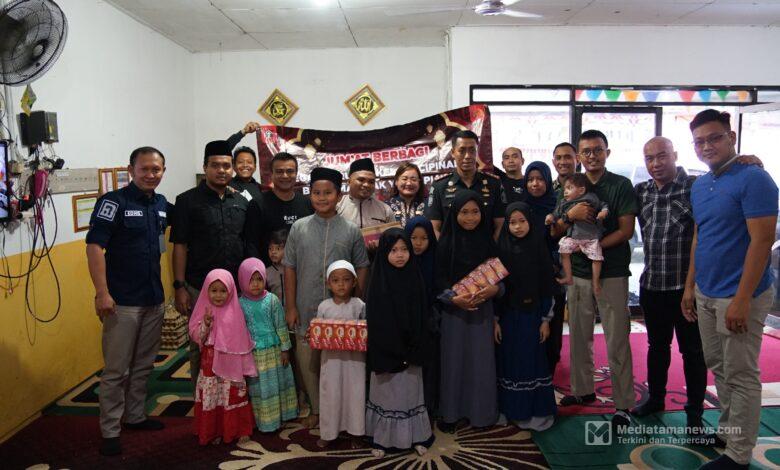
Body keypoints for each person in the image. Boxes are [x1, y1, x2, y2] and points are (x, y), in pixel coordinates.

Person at [682, 110, 778, 470]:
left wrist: (741, 299)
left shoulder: (754, 178)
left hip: (739, 296)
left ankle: (738, 455)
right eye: (699, 141)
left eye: (714, 138)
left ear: (731, 137)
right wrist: (690, 286)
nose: (707, 146)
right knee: (719, 367)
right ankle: (728, 431)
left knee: (741, 374)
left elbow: (762, 240)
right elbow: (700, 237)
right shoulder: (700, 184)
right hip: (706, 291)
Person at [86, 147, 170, 456]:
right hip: (121, 301)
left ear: (163, 171)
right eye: (144, 168)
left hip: (153, 299)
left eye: (156, 169)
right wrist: (102, 292)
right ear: (131, 170)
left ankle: (135, 416)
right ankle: (110, 430)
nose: (150, 174)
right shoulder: (113, 202)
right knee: (116, 371)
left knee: (144, 365)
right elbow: (94, 247)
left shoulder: (161, 203)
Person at [553, 130, 637, 431]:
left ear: (607, 153)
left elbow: (626, 230)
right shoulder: (571, 184)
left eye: (597, 150)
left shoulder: (619, 185)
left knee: (617, 339)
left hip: (611, 271)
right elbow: (556, 229)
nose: (592, 156)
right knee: (578, 334)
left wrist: (593, 248)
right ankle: (582, 389)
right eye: (586, 151)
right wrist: (570, 216)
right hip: (577, 273)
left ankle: (623, 404)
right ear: (579, 155)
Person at [283, 167, 370, 429]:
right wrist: (290, 306)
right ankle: (317, 409)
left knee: (340, 364)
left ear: (339, 195)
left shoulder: (351, 230)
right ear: (310, 195)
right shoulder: (299, 228)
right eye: (317, 193)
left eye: (328, 193)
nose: (322, 198)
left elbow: (362, 266)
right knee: (309, 362)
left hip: (342, 312)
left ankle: (343, 412)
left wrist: (356, 301)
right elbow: (289, 267)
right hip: (306, 305)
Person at [632, 136, 707, 433]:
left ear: (674, 154)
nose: (656, 164)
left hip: (685, 289)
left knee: (693, 352)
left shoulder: (695, 187)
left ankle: (694, 415)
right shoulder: (641, 191)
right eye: (649, 158)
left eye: (662, 156)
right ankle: (656, 399)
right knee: (657, 347)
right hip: (652, 285)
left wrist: (745, 159)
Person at [171, 140, 252, 386]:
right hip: (199, 287)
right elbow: (180, 245)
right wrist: (179, 286)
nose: (222, 170)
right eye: (215, 165)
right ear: (205, 167)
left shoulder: (241, 201)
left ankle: (234, 397)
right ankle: (202, 399)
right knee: (201, 343)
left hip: (236, 288)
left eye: (226, 166)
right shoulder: (186, 201)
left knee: (236, 341)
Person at [435, 190, 501, 432]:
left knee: (480, 364)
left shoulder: (488, 243)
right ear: (454, 214)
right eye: (464, 212)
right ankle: (451, 414)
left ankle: (480, 414)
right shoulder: (445, 244)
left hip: (482, 312)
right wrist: (453, 299)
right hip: (453, 314)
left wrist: (495, 290)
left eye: (475, 212)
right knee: (452, 364)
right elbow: (436, 281)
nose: (470, 217)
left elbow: (501, 277)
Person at [365, 229, 433, 457]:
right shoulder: (378, 281)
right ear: (384, 252)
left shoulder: (415, 277)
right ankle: (382, 439)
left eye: (404, 249)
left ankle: (417, 436)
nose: (400, 255)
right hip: (386, 349)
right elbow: (376, 320)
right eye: (393, 250)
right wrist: (391, 345)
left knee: (410, 394)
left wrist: (413, 343)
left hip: (411, 349)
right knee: (387, 395)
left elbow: (421, 315)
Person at [495, 202, 557, 430]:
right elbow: (496, 287)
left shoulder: (537, 247)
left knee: (531, 361)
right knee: (509, 362)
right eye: (512, 222)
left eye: (522, 221)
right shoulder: (501, 249)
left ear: (530, 222)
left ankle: (535, 412)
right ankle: (511, 410)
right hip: (508, 317)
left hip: (532, 317)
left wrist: (546, 320)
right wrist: (495, 320)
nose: (518, 227)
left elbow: (547, 286)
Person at [188, 269, 257, 446]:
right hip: (210, 366)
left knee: (233, 395)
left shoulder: (235, 312)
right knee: (213, 397)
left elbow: (241, 341)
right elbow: (197, 336)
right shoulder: (204, 310)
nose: (218, 295)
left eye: (223, 290)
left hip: (231, 366)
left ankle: (239, 429)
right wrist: (206, 324)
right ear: (206, 290)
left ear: (231, 291)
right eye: (214, 290)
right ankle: (215, 430)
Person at [238, 258, 298, 432]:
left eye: (259, 279)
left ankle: (281, 416)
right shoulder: (240, 304)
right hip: (254, 354)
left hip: (274, 352)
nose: (256, 284)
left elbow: (280, 325)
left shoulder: (272, 300)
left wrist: (285, 349)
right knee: (260, 388)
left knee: (277, 383)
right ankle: (264, 420)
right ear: (242, 280)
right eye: (251, 280)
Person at [315, 260, 367, 448]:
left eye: (346, 280)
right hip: (331, 362)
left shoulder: (359, 305)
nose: (341, 284)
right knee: (331, 394)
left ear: (354, 282)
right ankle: (328, 432)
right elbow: (318, 332)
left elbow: (365, 329)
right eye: (336, 280)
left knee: (355, 394)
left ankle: (356, 432)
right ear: (328, 283)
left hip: (354, 362)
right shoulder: (324, 307)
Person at [426, 130, 506, 239]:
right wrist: (445, 248)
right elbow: (434, 228)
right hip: (451, 249)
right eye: (462, 150)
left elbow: (500, 225)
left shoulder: (494, 184)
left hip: (486, 249)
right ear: (453, 153)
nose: (467, 156)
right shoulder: (439, 186)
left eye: (472, 150)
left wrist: (492, 248)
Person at [547, 173, 609, 294]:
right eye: (565, 188)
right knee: (563, 250)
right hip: (574, 237)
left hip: (591, 237)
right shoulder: (564, 203)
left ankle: (596, 281)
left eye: (569, 188)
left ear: (581, 190)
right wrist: (550, 218)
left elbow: (603, 205)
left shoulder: (590, 198)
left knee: (596, 258)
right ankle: (568, 276)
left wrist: (604, 212)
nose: (565, 192)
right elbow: (556, 214)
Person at [245, 152, 313, 263]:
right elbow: (251, 244)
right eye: (279, 171)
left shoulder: (307, 203)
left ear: (296, 174)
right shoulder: (257, 204)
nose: (285, 176)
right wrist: (257, 269)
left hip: (303, 268)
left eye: (290, 171)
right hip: (269, 271)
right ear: (271, 174)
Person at [547, 142, 578, 375]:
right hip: (555, 261)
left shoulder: (585, 186)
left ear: (576, 159)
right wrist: (568, 217)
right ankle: (553, 359)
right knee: (555, 313)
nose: (563, 161)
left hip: (582, 259)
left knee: (579, 319)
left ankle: (581, 370)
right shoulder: (548, 188)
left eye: (568, 157)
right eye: (558, 157)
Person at [404, 216, 439, 419]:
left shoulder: (436, 259)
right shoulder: (401, 263)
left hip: (430, 323)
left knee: (429, 369)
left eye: (424, 238)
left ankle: (428, 410)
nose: (418, 243)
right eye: (413, 238)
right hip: (407, 325)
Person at [337, 157, 394, 232]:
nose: (366, 185)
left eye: (371, 182)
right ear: (349, 181)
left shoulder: (385, 210)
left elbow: (393, 237)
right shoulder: (337, 207)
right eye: (361, 180)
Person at [388, 162, 427, 227]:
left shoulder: (429, 205)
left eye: (413, 179)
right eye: (404, 179)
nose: (409, 183)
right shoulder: (386, 207)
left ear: (419, 183)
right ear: (396, 181)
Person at [265, 230, 287, 302]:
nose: (273, 252)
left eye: (278, 248)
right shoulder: (266, 272)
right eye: (270, 248)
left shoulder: (293, 269)